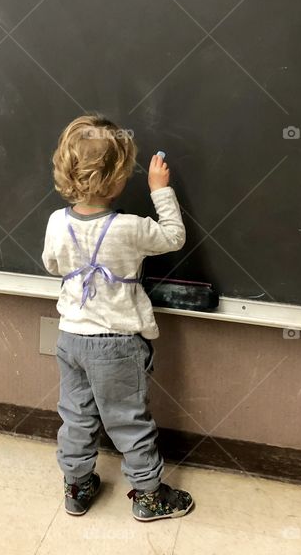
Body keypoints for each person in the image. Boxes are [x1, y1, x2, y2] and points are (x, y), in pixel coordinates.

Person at [42, 114, 194, 521]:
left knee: (75, 415)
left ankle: (76, 486)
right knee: (128, 421)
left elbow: (53, 265)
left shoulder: (57, 222)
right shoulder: (130, 228)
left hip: (70, 337)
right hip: (116, 343)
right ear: (117, 179)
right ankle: (148, 495)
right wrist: (161, 191)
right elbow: (174, 237)